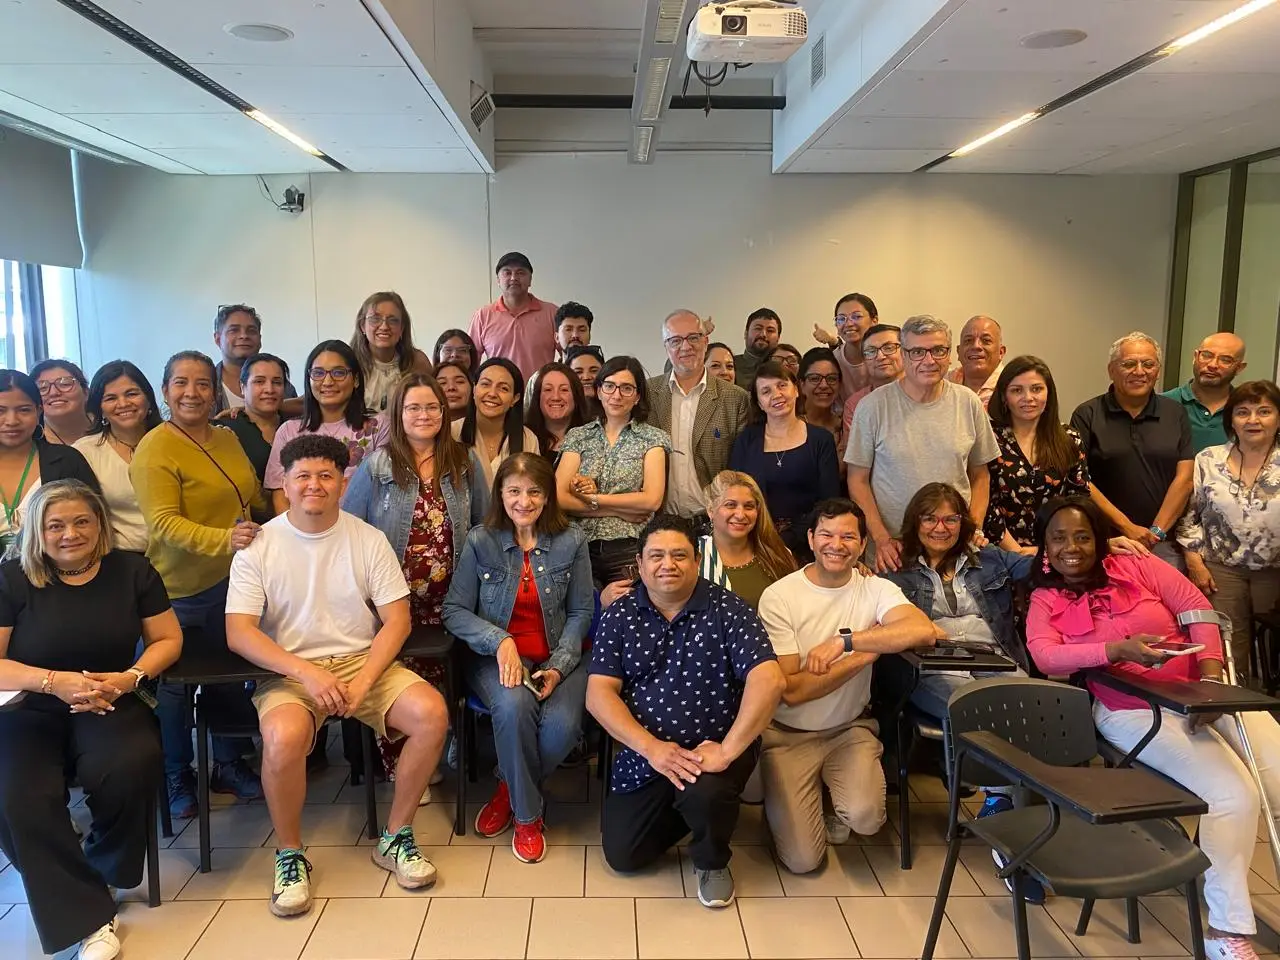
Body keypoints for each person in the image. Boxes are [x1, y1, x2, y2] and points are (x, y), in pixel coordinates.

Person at [1027, 495, 1280, 960]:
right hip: (1133, 711)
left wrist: (1208, 678)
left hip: (1202, 692)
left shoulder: (1136, 566)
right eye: (1058, 538)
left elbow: (1196, 608)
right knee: (1232, 794)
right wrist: (1115, 650)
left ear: (1100, 540)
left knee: (1278, 773)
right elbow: (1045, 655)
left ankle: (1241, 883)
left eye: (1083, 536)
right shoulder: (1046, 598)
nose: (1071, 548)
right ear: (1044, 546)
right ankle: (1227, 931)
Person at [227, 435, 449, 917]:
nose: (314, 485)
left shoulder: (366, 538)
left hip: (360, 661)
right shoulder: (258, 545)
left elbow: (398, 620)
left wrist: (367, 680)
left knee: (431, 714)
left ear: (343, 482)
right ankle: (290, 855)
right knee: (283, 739)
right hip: (290, 669)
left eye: (326, 476)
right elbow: (240, 633)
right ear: (284, 484)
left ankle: (394, 837)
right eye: (302, 476)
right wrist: (306, 673)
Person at [0, 480, 182, 960]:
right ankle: (91, 918)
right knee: (18, 792)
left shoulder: (133, 571)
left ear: (100, 522)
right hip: (29, 707)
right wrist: (54, 681)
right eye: (55, 524)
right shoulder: (13, 577)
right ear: (35, 530)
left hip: (110, 698)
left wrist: (129, 678)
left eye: (82, 521)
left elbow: (167, 639)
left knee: (132, 763)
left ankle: (94, 873)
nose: (69, 533)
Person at [588, 514, 785, 907]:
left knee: (706, 792)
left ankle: (712, 860)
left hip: (710, 752)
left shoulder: (730, 609)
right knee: (624, 856)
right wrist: (652, 748)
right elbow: (599, 694)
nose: (667, 564)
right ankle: (693, 810)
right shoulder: (620, 614)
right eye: (656, 556)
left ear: (697, 560)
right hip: (646, 754)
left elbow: (770, 680)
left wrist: (727, 751)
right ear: (640, 565)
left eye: (679, 555)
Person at [757, 498, 934, 874]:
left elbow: (920, 630)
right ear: (810, 537)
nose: (836, 544)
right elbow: (793, 690)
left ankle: (830, 797)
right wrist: (870, 652)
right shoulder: (779, 596)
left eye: (848, 536)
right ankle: (793, 801)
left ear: (863, 543)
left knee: (867, 818)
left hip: (849, 729)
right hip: (787, 735)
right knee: (804, 861)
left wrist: (847, 641)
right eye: (826, 534)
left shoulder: (875, 588)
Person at [131, 351, 265, 818]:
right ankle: (176, 774)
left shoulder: (227, 438)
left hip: (232, 582)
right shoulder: (155, 448)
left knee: (228, 677)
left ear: (215, 391)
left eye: (203, 383)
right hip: (176, 592)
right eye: (181, 383)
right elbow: (164, 524)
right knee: (173, 690)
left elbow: (249, 496)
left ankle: (228, 764)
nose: (192, 392)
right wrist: (226, 540)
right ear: (165, 390)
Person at [442, 453, 593, 862]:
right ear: (500, 494)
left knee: (563, 728)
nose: (523, 501)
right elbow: (453, 610)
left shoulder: (572, 541)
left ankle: (508, 785)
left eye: (534, 492)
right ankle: (528, 816)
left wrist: (560, 667)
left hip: (558, 656)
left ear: (547, 497)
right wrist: (500, 641)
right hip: (494, 659)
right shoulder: (480, 540)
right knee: (513, 705)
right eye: (513, 491)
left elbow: (582, 611)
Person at [343, 373, 488, 780]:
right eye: (413, 407)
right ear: (398, 414)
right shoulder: (378, 465)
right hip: (394, 601)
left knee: (446, 675)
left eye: (431, 407)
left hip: (453, 597)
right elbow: (351, 528)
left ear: (443, 412)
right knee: (397, 681)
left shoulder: (465, 460)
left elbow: (483, 525)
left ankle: (442, 745)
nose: (423, 415)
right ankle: (402, 767)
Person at [845, 315, 999, 573]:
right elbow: (857, 480)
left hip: (953, 548)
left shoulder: (968, 402)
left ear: (949, 355)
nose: (929, 360)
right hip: (893, 552)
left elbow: (980, 475)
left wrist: (973, 527)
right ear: (904, 356)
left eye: (938, 350)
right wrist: (881, 538)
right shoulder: (872, 407)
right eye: (917, 352)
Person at [1178, 380, 1280, 681]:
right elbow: (1188, 516)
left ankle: (1270, 719)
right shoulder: (1208, 460)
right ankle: (1235, 714)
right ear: (1231, 419)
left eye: (1264, 411)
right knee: (1227, 650)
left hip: (1275, 572)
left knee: (1271, 652)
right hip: (1220, 570)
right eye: (1243, 412)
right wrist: (1194, 561)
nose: (1253, 420)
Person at [1071, 332, 1193, 568]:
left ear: (1157, 371)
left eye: (1148, 364)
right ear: (1111, 370)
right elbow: (1080, 480)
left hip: (1163, 542)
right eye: (1128, 364)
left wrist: (1155, 532)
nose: (1139, 371)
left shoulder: (1175, 413)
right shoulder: (1087, 414)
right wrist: (1126, 526)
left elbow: (1185, 478)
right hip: (1106, 540)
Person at [557, 356, 670, 588]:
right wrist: (621, 509)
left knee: (626, 617)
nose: (616, 395)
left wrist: (592, 500)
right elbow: (559, 498)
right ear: (598, 391)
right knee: (585, 616)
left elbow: (652, 500)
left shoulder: (653, 438)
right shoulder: (579, 436)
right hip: (578, 544)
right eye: (609, 386)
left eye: (627, 388)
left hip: (628, 545)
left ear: (638, 396)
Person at [646, 310, 753, 522]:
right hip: (660, 520)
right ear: (666, 346)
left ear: (705, 341)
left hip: (715, 520)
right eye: (675, 340)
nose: (686, 347)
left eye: (693, 337)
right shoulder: (648, 394)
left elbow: (741, 469)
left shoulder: (736, 399)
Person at [729, 360, 840, 560]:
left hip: (809, 545)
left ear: (796, 390)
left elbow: (828, 502)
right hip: (755, 544)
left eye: (782, 385)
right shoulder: (746, 440)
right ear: (759, 403)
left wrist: (788, 539)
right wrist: (766, 540)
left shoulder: (820, 440)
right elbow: (735, 493)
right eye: (766, 391)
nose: (776, 395)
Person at [265, 340, 389, 515]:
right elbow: (280, 495)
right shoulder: (289, 431)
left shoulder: (379, 426)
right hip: (303, 535)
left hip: (362, 533)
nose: (328, 381)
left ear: (355, 380)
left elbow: (386, 491)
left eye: (339, 373)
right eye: (318, 373)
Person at [985, 355, 1090, 553]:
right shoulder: (989, 437)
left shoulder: (1069, 438)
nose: (1028, 398)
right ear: (1004, 397)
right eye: (1017, 390)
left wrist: (1046, 550)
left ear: (1049, 394)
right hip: (1000, 553)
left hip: (1059, 551)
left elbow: (1079, 500)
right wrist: (1018, 554)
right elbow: (986, 505)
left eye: (1036, 389)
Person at [0, 369, 100, 558]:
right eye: (0, 410)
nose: (12, 421)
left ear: (39, 410)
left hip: (57, 579)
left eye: (24, 410)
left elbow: (95, 523)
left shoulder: (67, 459)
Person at [75, 361, 164, 553]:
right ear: (99, 408)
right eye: (110, 398)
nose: (123, 404)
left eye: (132, 394)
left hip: (182, 556)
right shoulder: (84, 452)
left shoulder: (173, 441)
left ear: (148, 399)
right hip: (122, 561)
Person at [698, 470, 796, 610]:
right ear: (710, 510)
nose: (740, 514)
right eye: (730, 505)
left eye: (749, 506)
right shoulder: (693, 555)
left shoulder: (779, 554)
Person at [469, 252, 559, 382]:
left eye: (520, 273)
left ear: (530, 280)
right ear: (498, 280)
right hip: (499, 395)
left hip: (540, 394)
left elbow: (569, 354)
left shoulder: (551, 313)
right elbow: (471, 360)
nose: (513, 278)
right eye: (507, 273)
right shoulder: (483, 316)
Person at [454, 357, 539, 487]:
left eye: (503, 388)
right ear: (474, 389)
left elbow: (532, 488)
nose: (492, 393)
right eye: (485, 384)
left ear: (515, 399)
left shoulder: (528, 438)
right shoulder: (451, 432)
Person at [349, 291, 433, 413]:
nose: (384, 326)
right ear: (362, 326)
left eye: (393, 320)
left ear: (402, 328)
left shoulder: (417, 362)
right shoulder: (348, 362)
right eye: (375, 319)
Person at [1163, 332, 1249, 452]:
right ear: (1195, 357)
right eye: (1207, 355)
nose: (1212, 365)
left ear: (1239, 368)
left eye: (1225, 360)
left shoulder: (1247, 412)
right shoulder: (1163, 404)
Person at [209, 304, 298, 416]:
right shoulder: (207, 385)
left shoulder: (284, 389)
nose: (244, 336)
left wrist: (248, 410)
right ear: (218, 339)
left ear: (260, 340)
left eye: (251, 331)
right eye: (234, 330)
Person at [224, 353, 289, 486]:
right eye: (259, 381)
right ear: (242, 387)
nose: (269, 389)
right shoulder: (225, 431)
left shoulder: (296, 428)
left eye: (277, 382)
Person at [841, 323, 904, 440]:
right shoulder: (856, 404)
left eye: (889, 348)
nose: (880, 356)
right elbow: (854, 455)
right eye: (871, 351)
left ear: (906, 351)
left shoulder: (925, 392)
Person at [812, 293, 876, 408]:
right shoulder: (833, 361)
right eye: (841, 319)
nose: (849, 324)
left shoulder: (885, 356)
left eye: (856, 317)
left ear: (874, 320)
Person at [526, 362, 587, 465]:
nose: (556, 397)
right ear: (538, 397)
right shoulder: (525, 437)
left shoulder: (592, 436)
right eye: (548, 389)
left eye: (564, 390)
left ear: (576, 396)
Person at [799, 347, 845, 469]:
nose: (824, 385)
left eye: (831, 379)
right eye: (815, 379)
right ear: (802, 384)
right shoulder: (792, 426)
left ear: (840, 384)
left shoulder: (846, 426)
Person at [947, 315, 1007, 408]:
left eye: (986, 340)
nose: (976, 346)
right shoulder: (944, 382)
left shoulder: (1013, 387)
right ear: (958, 352)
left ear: (1001, 352)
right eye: (968, 341)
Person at [31, 359, 93, 445]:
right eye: (42, 388)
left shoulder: (109, 424)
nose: (54, 393)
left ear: (86, 392)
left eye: (65, 384)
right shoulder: (30, 440)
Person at [734, 307, 782, 390]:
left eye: (770, 330)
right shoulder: (729, 366)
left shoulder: (785, 367)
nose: (763, 334)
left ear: (778, 338)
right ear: (746, 334)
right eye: (758, 328)